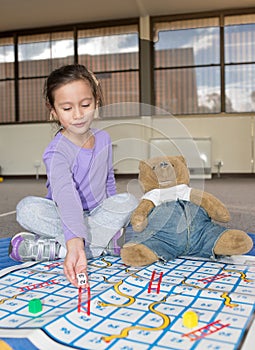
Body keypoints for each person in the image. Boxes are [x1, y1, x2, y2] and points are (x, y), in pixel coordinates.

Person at [9, 64, 138, 287]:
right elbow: (65, 195)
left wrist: (112, 210)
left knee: (129, 201)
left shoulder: (104, 139)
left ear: (96, 101)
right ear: (53, 110)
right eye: (67, 109)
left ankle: (59, 247)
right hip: (63, 214)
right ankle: (96, 244)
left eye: (85, 105)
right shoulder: (56, 151)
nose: (78, 115)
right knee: (27, 209)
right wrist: (75, 239)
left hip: (97, 213)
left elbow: (108, 180)